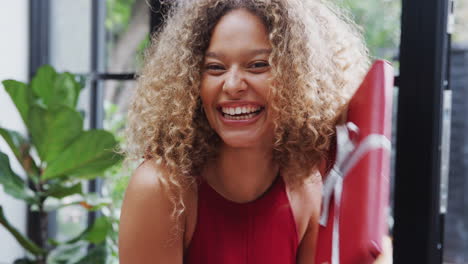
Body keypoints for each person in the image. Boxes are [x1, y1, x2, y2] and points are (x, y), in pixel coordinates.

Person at [119, 0, 392, 263]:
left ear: (299, 80)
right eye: (215, 68)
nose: (233, 84)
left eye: (258, 64)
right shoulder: (161, 189)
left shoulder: (305, 188)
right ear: (192, 82)